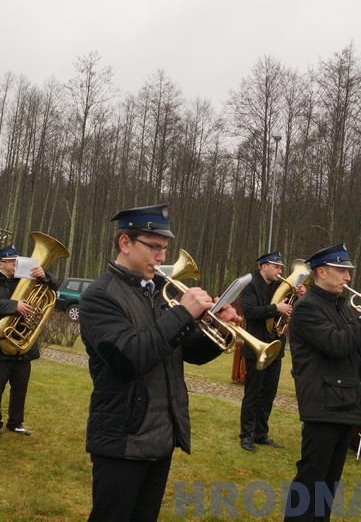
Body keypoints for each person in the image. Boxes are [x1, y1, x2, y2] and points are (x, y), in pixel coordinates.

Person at [80, 203, 241, 522]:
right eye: (154, 247)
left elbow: (183, 352)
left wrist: (218, 328)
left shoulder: (157, 292)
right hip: (122, 438)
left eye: (164, 248)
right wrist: (183, 313)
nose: (162, 257)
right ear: (125, 243)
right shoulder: (100, 296)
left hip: (160, 435)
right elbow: (132, 357)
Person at [284, 242, 361, 522]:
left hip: (345, 404)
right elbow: (336, 344)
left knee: (327, 485)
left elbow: (358, 347)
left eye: (348, 271)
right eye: (342, 271)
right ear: (322, 272)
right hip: (323, 404)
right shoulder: (307, 308)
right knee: (311, 481)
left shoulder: (341, 307)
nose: (348, 278)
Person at [0, 244, 59, 438]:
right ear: (1, 263)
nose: (16, 265)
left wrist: (45, 276)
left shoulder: (27, 280)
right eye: (13, 262)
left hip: (23, 343)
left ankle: (16, 422)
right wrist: (14, 306)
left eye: (17, 261)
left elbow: (54, 286)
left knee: (20, 387)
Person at [238, 251, 293, 451]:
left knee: (269, 393)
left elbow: (289, 310)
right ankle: (246, 435)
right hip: (256, 346)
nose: (280, 271)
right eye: (276, 267)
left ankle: (261, 433)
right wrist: (275, 308)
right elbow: (250, 311)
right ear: (264, 266)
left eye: (281, 267)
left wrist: (299, 297)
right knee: (253, 393)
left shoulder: (281, 287)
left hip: (275, 346)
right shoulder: (249, 284)